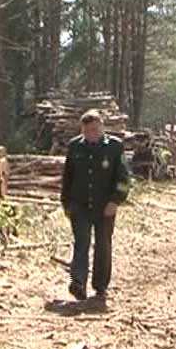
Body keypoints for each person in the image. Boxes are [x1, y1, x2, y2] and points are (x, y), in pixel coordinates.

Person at [60, 110, 131, 302]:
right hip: (79, 205)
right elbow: (67, 177)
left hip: (104, 206)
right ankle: (78, 283)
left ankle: (100, 286)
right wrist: (66, 203)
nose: (91, 134)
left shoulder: (114, 147)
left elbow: (124, 178)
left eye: (95, 129)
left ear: (102, 128)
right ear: (82, 130)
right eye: (87, 130)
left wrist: (116, 200)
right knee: (81, 243)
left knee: (103, 245)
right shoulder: (75, 147)